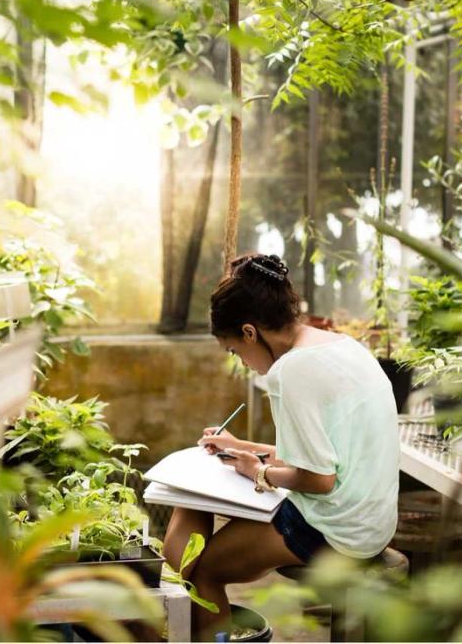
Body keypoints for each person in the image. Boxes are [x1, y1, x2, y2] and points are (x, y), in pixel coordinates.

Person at [162, 253, 399, 640]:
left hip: (337, 530)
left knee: (206, 571)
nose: (242, 362)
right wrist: (244, 448)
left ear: (250, 332)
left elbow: (320, 479)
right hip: (374, 521)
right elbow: (325, 451)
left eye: (235, 351)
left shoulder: (291, 371)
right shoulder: (340, 346)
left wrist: (257, 471)